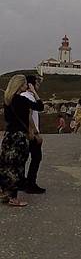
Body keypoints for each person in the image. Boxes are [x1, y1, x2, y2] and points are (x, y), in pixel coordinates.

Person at [0, 74, 44, 207]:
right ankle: (13, 198)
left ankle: (4, 192)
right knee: (17, 167)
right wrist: (35, 92)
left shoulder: (8, 100)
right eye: (25, 84)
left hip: (8, 135)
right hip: (19, 137)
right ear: (20, 85)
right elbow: (40, 106)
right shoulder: (21, 100)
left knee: (6, 165)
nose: (26, 86)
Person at [20, 74, 45, 194]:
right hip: (30, 133)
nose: (38, 85)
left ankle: (23, 182)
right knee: (36, 157)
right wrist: (35, 132)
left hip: (27, 132)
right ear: (31, 84)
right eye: (37, 83)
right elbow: (28, 115)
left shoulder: (27, 96)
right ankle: (30, 183)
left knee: (24, 158)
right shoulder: (28, 97)